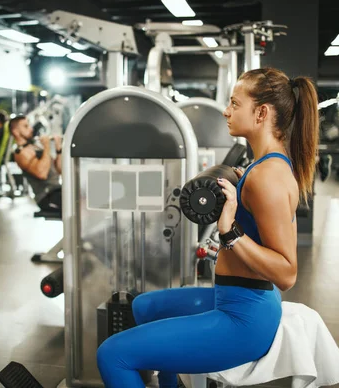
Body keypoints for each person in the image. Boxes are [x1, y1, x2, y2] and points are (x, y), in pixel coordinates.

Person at [96, 67, 320, 388]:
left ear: (260, 113)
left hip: (243, 319)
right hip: (232, 297)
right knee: (144, 307)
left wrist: (230, 232)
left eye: (234, 103)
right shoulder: (263, 165)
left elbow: (286, 273)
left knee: (112, 354)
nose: (227, 111)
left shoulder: (267, 177)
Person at [9, 115, 63, 212]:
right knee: (79, 206)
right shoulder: (21, 153)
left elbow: (60, 170)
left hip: (57, 190)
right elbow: (42, 174)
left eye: (29, 125)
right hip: (46, 196)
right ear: (15, 132)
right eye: (26, 126)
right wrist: (47, 146)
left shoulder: (35, 146)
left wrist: (58, 149)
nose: (30, 129)